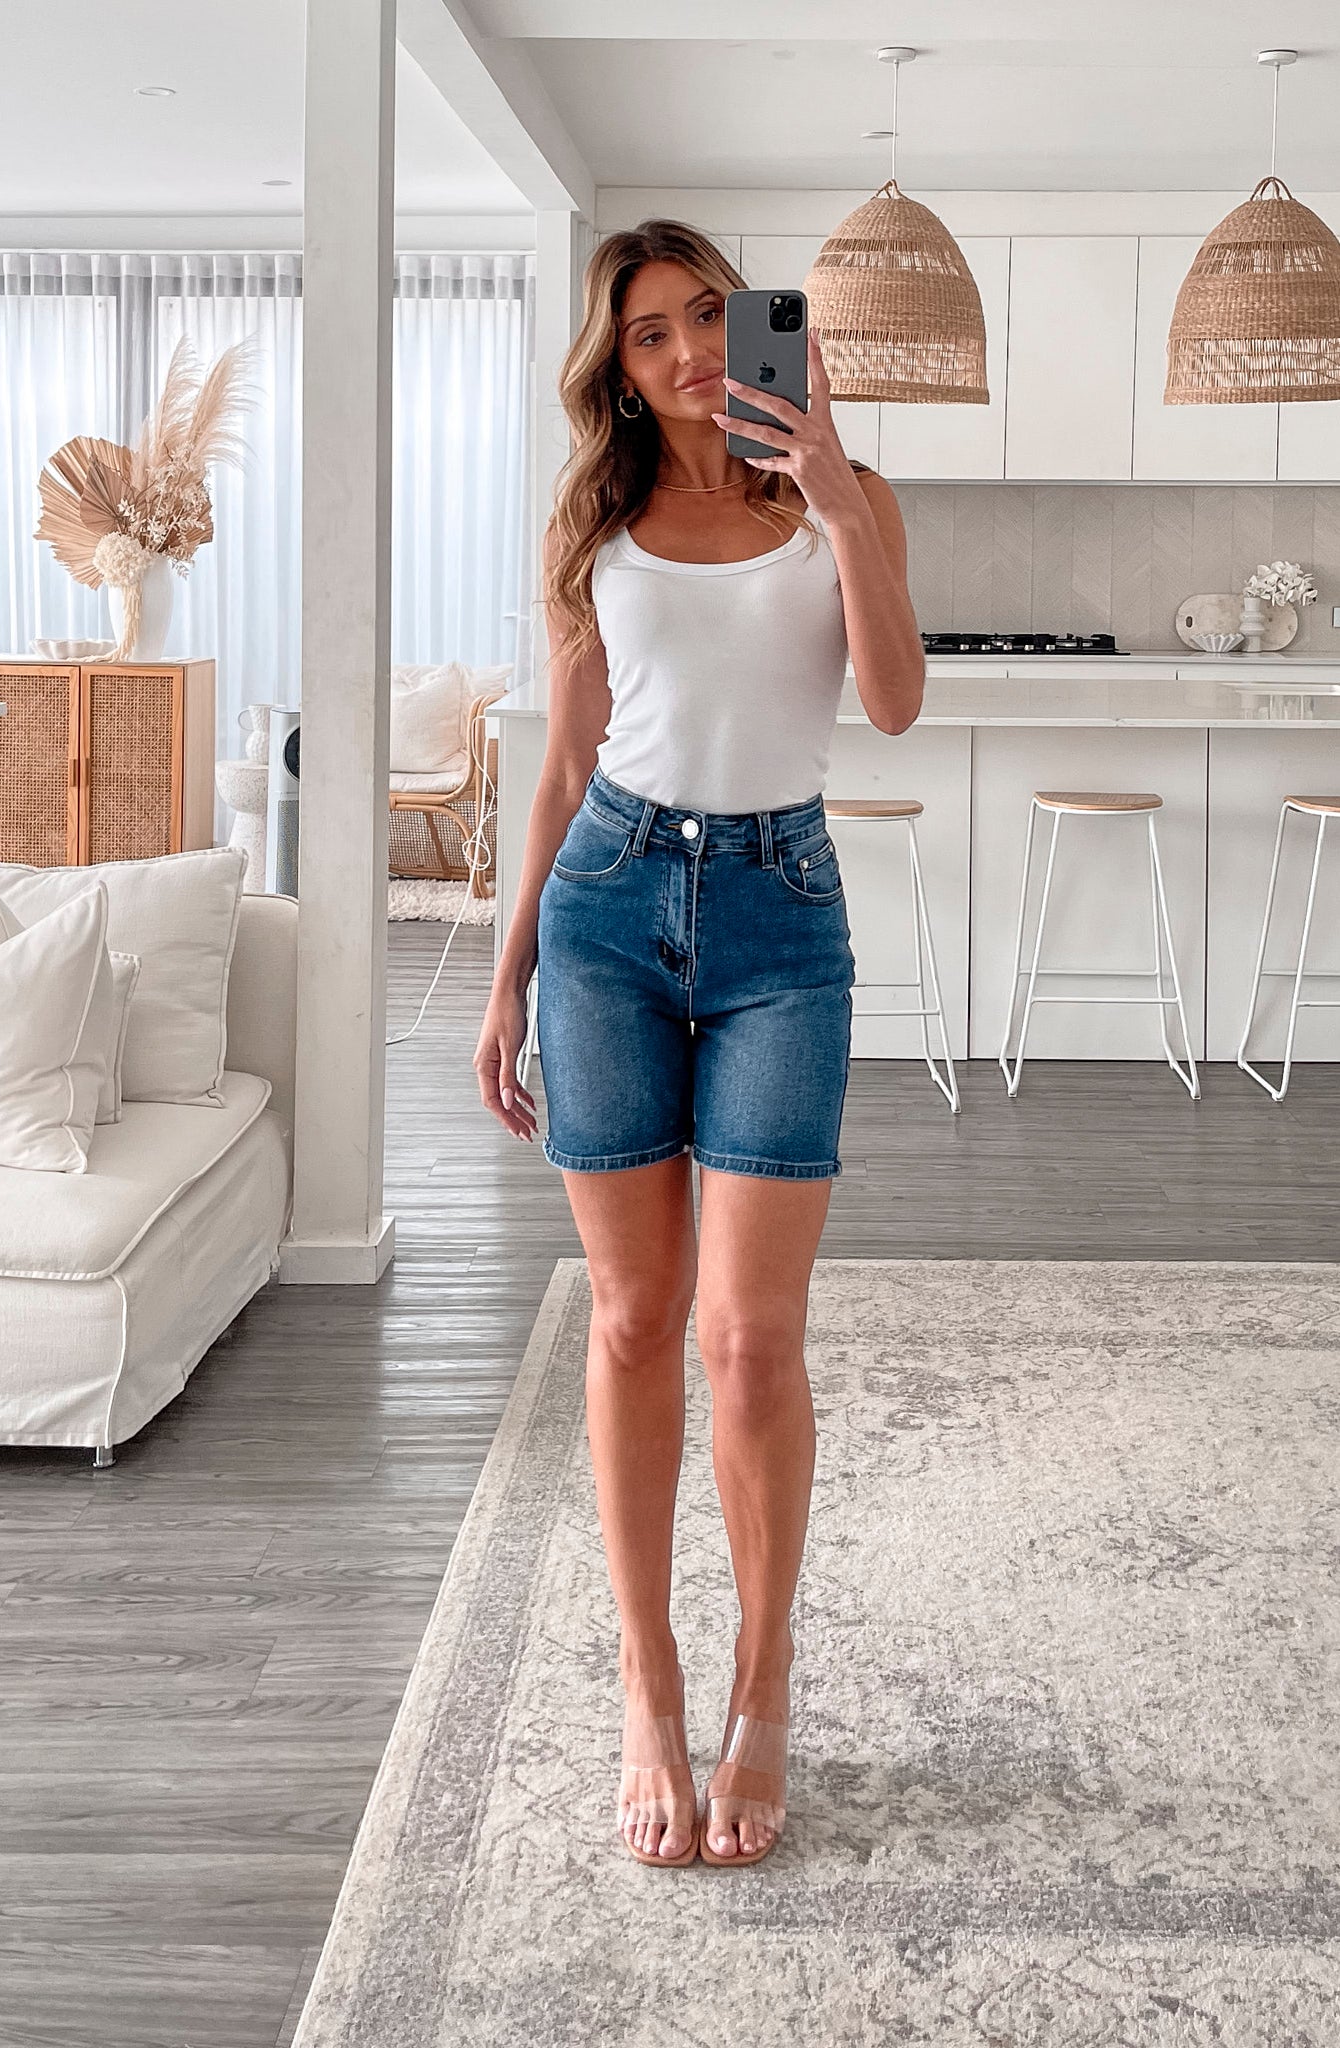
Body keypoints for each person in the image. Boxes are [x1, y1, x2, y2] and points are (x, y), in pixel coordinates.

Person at [474, 218, 925, 1867]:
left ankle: (764, 1673)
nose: (685, 354)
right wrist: (509, 967)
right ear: (619, 360)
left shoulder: (839, 500)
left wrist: (843, 496)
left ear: (756, 328)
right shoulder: (593, 522)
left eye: (710, 318)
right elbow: (563, 757)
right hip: (604, 909)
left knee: (748, 1338)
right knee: (632, 1315)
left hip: (780, 919)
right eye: (651, 331)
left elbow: (891, 703)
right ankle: (650, 1685)